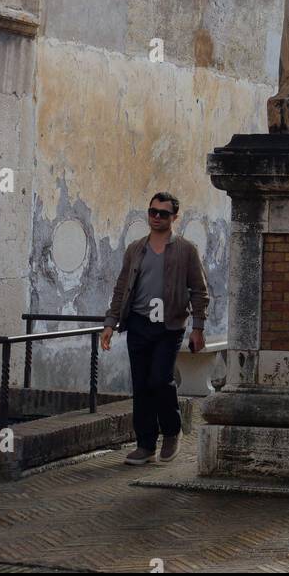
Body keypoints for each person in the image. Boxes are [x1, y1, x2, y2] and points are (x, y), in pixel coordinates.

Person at [101, 193, 208, 465]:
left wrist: (198, 328)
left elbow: (199, 291)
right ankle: (145, 445)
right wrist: (110, 323)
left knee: (160, 379)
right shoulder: (136, 249)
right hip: (138, 323)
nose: (157, 217)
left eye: (163, 213)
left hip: (170, 326)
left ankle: (172, 431)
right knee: (141, 385)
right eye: (152, 212)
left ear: (174, 217)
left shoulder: (186, 250)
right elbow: (121, 287)